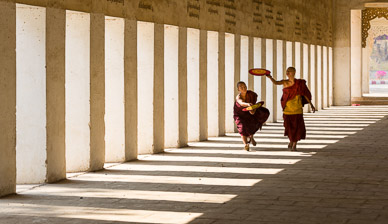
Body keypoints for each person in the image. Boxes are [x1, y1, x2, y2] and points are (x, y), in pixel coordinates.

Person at [266, 67, 315, 151]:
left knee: (297, 127)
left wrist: (311, 104)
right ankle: (291, 140)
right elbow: (276, 82)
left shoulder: (300, 83)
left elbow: (305, 95)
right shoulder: (285, 82)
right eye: (286, 71)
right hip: (287, 110)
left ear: (294, 72)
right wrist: (270, 77)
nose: (287, 73)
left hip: (297, 109)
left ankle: (294, 143)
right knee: (288, 127)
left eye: (289, 71)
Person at [233, 81, 270, 151]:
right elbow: (241, 103)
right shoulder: (238, 97)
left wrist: (253, 109)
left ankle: (251, 137)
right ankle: (246, 144)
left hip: (248, 113)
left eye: (245, 86)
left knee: (252, 124)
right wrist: (247, 104)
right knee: (242, 128)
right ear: (238, 89)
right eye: (241, 87)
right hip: (240, 115)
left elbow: (253, 106)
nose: (243, 88)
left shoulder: (251, 94)